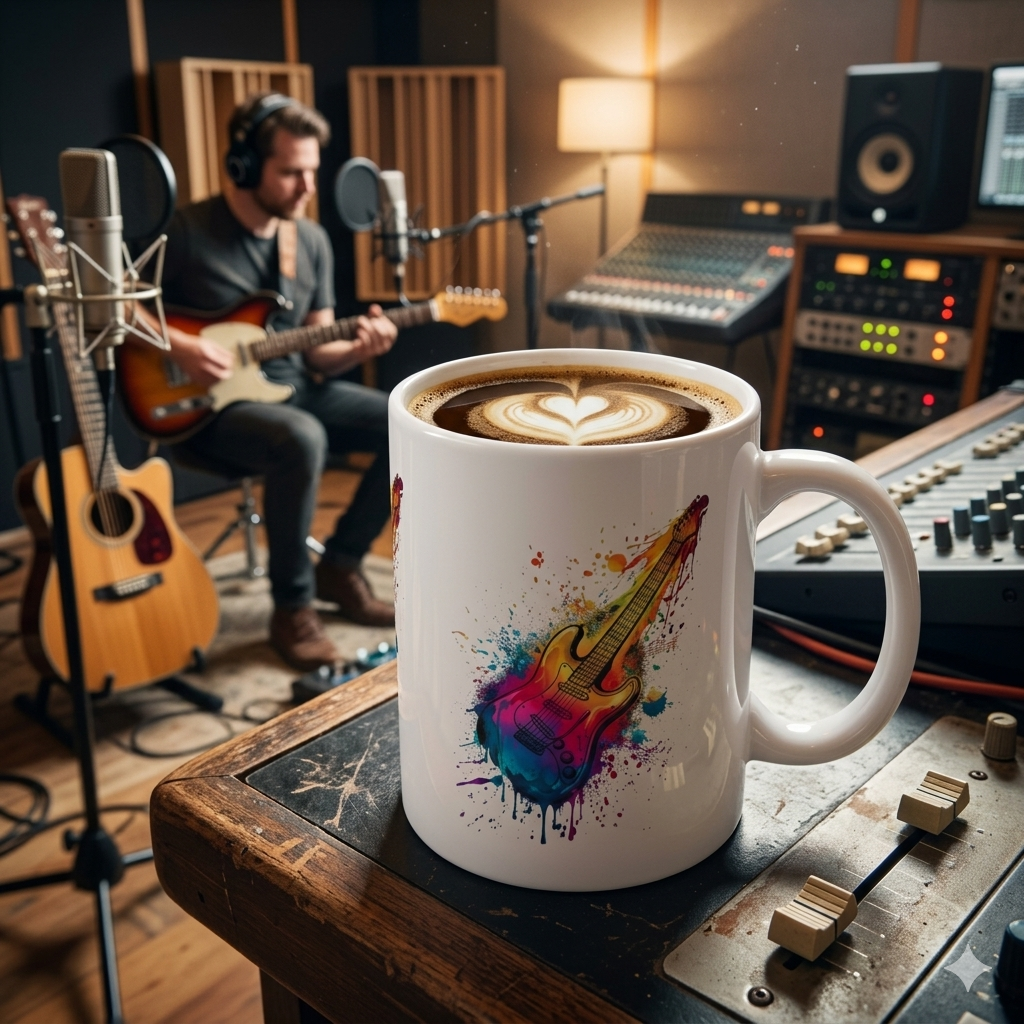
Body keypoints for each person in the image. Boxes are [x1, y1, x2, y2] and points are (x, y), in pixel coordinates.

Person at [151, 93, 398, 671]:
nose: (307, 187)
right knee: (302, 437)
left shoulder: (308, 241)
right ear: (243, 166)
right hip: (207, 408)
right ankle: (291, 609)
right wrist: (182, 347)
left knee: (400, 418)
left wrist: (359, 346)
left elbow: (319, 353)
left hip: (294, 389)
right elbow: (119, 307)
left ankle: (339, 565)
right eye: (291, 172)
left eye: (312, 171)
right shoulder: (186, 232)